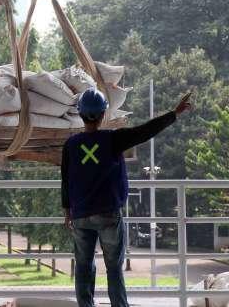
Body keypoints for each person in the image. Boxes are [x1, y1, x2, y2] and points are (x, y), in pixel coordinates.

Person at [61, 88, 192, 307]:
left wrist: (67, 212)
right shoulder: (113, 139)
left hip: (80, 216)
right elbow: (146, 131)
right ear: (103, 114)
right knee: (113, 267)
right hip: (109, 215)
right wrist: (175, 113)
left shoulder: (71, 145)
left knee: (83, 266)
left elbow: (65, 180)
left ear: (80, 114)